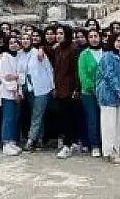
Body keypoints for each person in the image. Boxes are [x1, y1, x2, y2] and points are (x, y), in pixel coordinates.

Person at [19, 29, 54, 151]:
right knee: (36, 114)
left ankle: (30, 140)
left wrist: (52, 86)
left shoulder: (39, 53)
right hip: (27, 88)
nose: (25, 41)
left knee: (37, 114)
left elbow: (49, 69)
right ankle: (39, 139)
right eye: (23, 39)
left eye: (27, 39)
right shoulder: (19, 54)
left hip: (41, 87)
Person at [51, 25, 80, 159]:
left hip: (69, 88)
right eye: (57, 33)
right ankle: (71, 141)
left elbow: (75, 70)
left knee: (68, 117)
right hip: (60, 87)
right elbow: (56, 70)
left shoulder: (73, 49)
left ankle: (68, 144)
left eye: (61, 33)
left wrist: (76, 88)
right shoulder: (57, 50)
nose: (58, 36)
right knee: (63, 116)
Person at [98, 33, 120, 164]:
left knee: (117, 125)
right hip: (109, 94)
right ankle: (109, 152)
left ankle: (116, 149)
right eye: (118, 40)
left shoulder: (117, 56)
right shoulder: (108, 56)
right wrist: (118, 91)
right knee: (109, 124)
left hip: (116, 96)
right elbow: (110, 76)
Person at [77, 28, 104, 157]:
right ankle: (95, 145)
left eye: (96, 36)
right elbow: (83, 75)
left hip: (105, 92)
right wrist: (93, 88)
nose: (94, 39)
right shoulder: (84, 54)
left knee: (105, 119)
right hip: (89, 93)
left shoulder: (106, 52)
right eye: (91, 36)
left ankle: (106, 144)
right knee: (92, 118)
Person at [0, 34, 23, 156]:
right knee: (8, 118)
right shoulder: (5, 57)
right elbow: (5, 77)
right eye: (11, 42)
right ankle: (6, 143)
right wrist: (15, 91)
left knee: (15, 118)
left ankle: (12, 141)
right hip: (8, 93)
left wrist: (17, 77)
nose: (13, 45)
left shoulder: (20, 56)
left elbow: (22, 75)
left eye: (15, 42)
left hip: (18, 92)